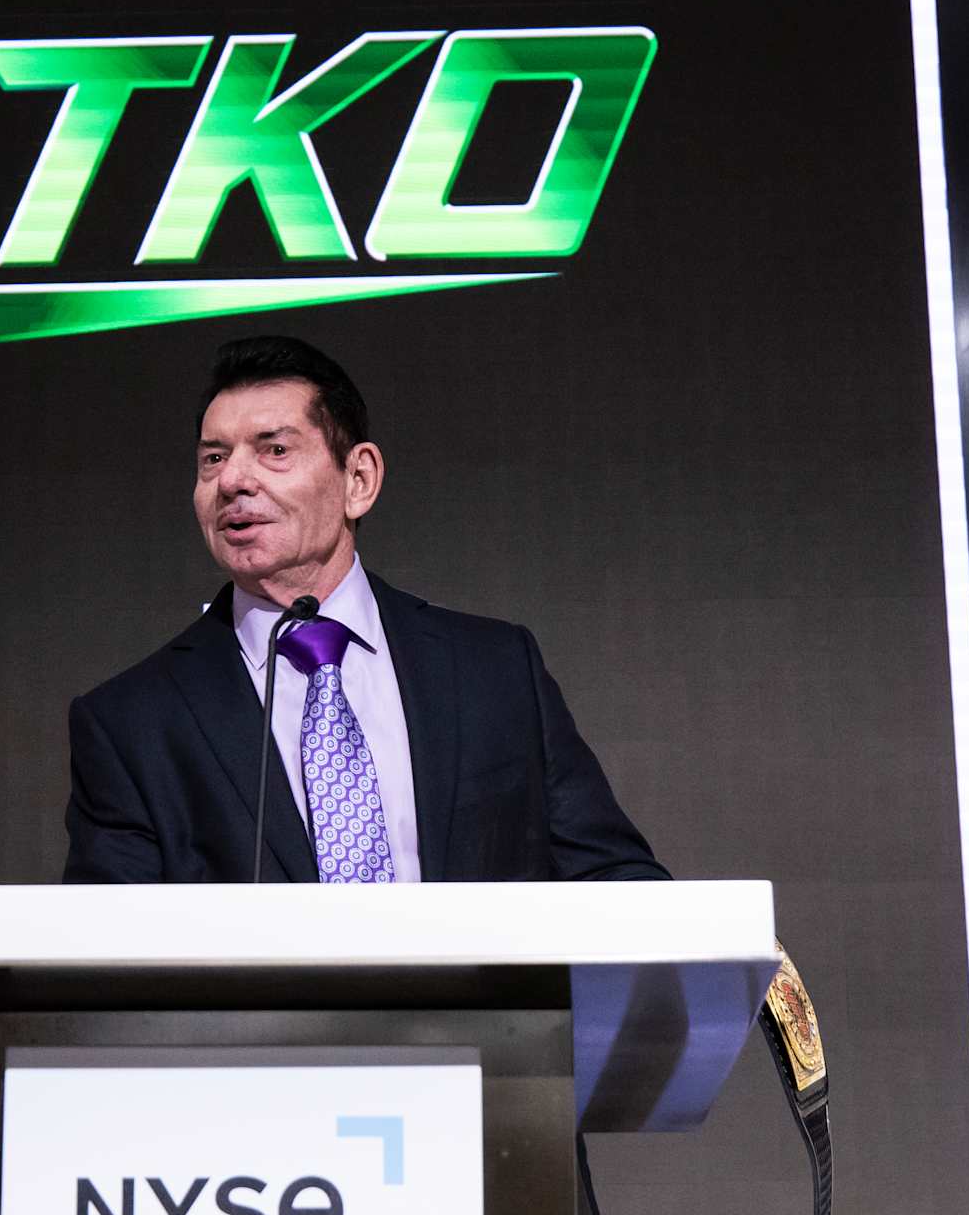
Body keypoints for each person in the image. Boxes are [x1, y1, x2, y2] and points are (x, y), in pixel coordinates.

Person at [63, 333, 668, 884]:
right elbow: (110, 959)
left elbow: (612, 880)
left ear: (359, 479)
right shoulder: (130, 722)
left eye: (274, 450)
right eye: (213, 459)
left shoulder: (494, 670)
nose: (232, 481)